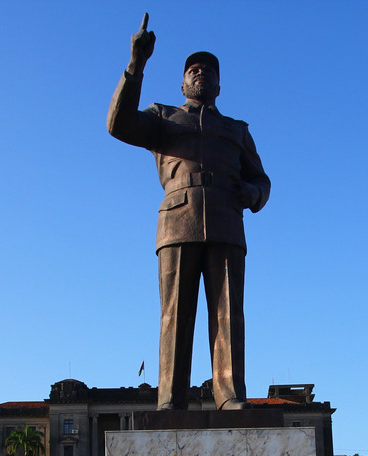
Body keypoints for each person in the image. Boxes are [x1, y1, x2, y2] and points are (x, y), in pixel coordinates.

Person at [107, 14, 271, 411]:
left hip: (227, 219)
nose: (200, 74)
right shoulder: (163, 117)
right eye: (193, 70)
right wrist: (136, 65)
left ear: (218, 84)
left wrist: (250, 192)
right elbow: (118, 124)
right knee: (175, 315)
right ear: (182, 83)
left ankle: (230, 395)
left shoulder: (237, 130)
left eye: (208, 70)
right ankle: (170, 400)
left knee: (229, 314)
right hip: (178, 220)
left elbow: (263, 181)